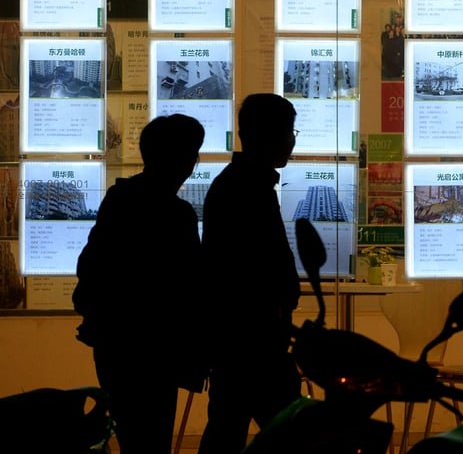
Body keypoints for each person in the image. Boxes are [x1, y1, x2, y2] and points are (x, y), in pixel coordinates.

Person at [73, 113, 208, 454]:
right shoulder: (177, 214)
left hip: (115, 342)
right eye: (192, 152)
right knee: (153, 437)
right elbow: (189, 284)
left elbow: (91, 263)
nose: (194, 161)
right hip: (156, 347)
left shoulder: (120, 198)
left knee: (133, 434)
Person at [197, 93, 302, 454]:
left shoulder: (240, 184)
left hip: (241, 336)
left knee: (229, 425)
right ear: (269, 135)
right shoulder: (246, 189)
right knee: (286, 428)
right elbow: (255, 266)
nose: (292, 141)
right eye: (289, 132)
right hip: (252, 336)